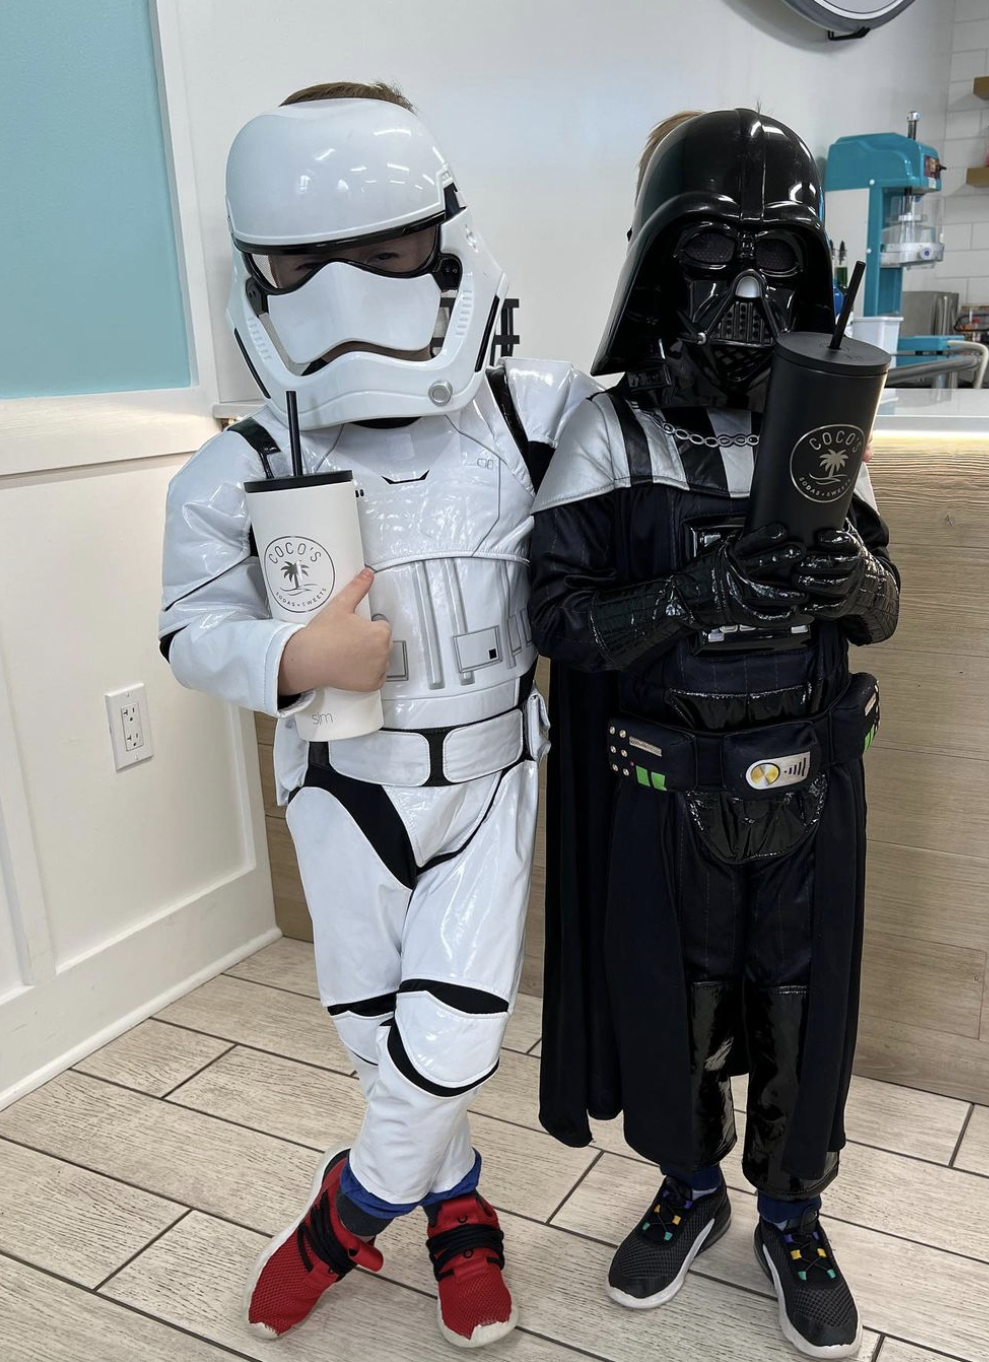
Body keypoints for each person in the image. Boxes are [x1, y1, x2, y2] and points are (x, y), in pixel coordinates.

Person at [159, 80, 595, 1349]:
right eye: (301, 259)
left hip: (493, 774)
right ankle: (460, 1210)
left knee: (454, 1035)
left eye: (388, 248)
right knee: (377, 1036)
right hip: (342, 784)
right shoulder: (241, 461)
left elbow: (651, 464)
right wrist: (295, 652)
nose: (347, 293)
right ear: (259, 267)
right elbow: (193, 631)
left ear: (443, 241)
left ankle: (341, 1220)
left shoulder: (530, 415)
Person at [528, 109, 900, 1360]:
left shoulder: (826, 438)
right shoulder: (610, 430)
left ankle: (792, 1207)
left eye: (773, 259)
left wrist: (844, 571)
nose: (743, 290)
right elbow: (561, 622)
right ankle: (690, 1187)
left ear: (809, 274)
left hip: (805, 785)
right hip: (665, 792)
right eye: (710, 256)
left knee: (801, 1004)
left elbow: (884, 611)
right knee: (672, 1006)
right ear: (660, 263)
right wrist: (693, 593)